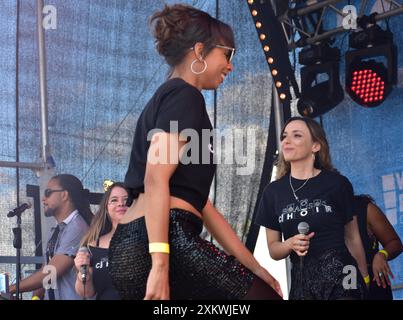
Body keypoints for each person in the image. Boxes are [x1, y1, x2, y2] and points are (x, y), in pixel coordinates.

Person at [108, 4, 283, 300]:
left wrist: (255, 268)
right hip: (164, 239)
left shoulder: (171, 99)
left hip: (142, 242)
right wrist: (160, 264)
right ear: (200, 51)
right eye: (228, 54)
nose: (230, 66)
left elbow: (202, 205)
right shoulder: (184, 95)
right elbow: (154, 178)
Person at [255, 116, 369, 300]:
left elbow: (353, 237)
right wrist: (290, 243)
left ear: (315, 146)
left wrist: (365, 278)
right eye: (284, 136)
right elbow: (274, 250)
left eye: (297, 135)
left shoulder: (336, 183)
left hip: (343, 277)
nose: (287, 141)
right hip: (303, 283)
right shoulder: (273, 192)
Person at [8, 174, 92, 300]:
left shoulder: (77, 228)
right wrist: (36, 297)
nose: (43, 199)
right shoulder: (57, 230)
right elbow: (48, 269)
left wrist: (11, 289)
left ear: (64, 195)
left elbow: (52, 270)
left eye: (48, 192)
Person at [74, 182, 129, 300]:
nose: (121, 203)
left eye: (126, 199)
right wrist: (83, 274)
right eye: (114, 200)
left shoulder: (148, 240)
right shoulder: (94, 245)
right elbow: (87, 293)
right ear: (106, 208)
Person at [354, 194, 403, 300]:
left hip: (373, 285)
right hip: (340, 285)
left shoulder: (365, 209)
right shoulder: (319, 218)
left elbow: (394, 243)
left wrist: (382, 254)